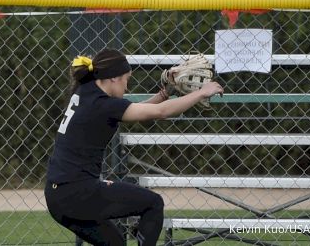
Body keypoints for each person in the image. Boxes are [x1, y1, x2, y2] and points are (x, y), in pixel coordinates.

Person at [44, 48, 224, 246]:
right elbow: (160, 112)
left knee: (116, 243)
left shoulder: (86, 91)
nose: (127, 85)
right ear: (113, 78)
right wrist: (201, 93)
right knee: (153, 204)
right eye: (126, 78)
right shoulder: (103, 104)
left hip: (59, 196)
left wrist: (165, 93)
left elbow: (135, 110)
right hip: (78, 193)